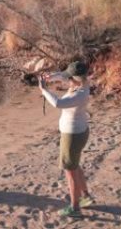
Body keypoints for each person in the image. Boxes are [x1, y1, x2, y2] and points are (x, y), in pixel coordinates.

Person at [39, 61, 95, 217]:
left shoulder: (79, 94)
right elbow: (63, 77)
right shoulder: (82, 84)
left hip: (72, 136)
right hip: (79, 132)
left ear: (75, 79)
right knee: (75, 165)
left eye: (69, 77)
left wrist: (44, 90)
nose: (67, 79)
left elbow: (58, 103)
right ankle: (86, 196)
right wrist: (50, 77)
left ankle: (75, 207)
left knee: (70, 171)